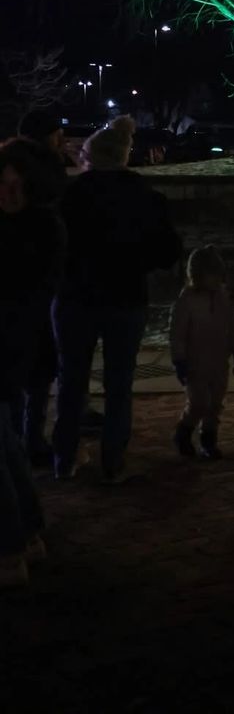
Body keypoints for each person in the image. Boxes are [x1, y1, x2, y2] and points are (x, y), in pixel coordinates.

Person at [52, 116, 183, 482]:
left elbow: (53, 246)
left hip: (75, 296)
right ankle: (113, 459)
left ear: (91, 156)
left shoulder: (69, 195)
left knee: (72, 379)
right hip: (125, 297)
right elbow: (167, 251)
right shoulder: (146, 197)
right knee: (119, 382)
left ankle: (64, 458)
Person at [0, 142, 62, 586]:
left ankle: (10, 548)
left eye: (15, 186)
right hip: (21, 344)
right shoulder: (44, 225)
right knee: (7, 443)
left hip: (13, 344)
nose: (8, 194)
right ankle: (31, 531)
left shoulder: (35, 228)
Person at [9, 112, 69, 465]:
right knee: (35, 372)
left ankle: (20, 439)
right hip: (35, 289)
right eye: (56, 137)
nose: (62, 143)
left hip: (27, 288)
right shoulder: (45, 179)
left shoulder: (26, 171)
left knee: (24, 373)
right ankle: (28, 440)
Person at [170, 246, 234, 461]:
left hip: (219, 360)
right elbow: (178, 333)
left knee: (216, 403)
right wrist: (179, 360)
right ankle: (184, 431)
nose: (216, 281)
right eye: (212, 275)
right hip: (196, 362)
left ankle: (208, 440)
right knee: (199, 402)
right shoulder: (187, 301)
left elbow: (231, 325)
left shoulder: (221, 297)